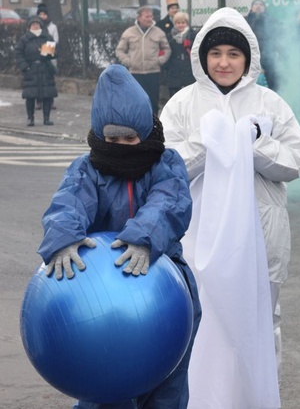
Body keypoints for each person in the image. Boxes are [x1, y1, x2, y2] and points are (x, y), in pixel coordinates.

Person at [160, 7, 300, 407]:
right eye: (215, 53)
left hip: (260, 237)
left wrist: (250, 142)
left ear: (247, 59)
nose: (224, 62)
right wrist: (208, 141)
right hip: (198, 241)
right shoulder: (182, 104)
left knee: (258, 325)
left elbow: (296, 159)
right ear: (202, 57)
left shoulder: (270, 104)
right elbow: (166, 166)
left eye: (233, 53)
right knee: (200, 325)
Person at [38, 64, 201, 408]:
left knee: (167, 385)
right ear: (100, 136)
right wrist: (63, 237)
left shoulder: (165, 163)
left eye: (130, 138)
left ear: (146, 131)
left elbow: (169, 202)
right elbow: (68, 202)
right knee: (101, 382)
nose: (122, 146)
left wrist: (143, 236)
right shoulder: (88, 169)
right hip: (100, 289)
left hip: (162, 277)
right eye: (112, 139)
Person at [116, 6, 171, 112]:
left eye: (151, 16)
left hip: (153, 73)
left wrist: (159, 61)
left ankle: (154, 126)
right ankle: (137, 126)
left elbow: (167, 49)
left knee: (153, 103)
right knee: (135, 102)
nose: (149, 19)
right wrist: (129, 62)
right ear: (139, 18)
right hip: (135, 73)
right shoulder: (129, 32)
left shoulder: (158, 32)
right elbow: (120, 50)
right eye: (146, 16)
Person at [15, 16, 57, 126]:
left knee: (47, 95)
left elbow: (53, 54)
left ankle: (46, 118)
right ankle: (30, 118)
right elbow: (18, 53)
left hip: (45, 69)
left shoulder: (47, 37)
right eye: (33, 24)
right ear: (29, 27)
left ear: (41, 25)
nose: (35, 25)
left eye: (37, 24)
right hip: (31, 70)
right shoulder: (24, 39)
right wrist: (25, 67)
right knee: (30, 96)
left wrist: (45, 52)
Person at [244, 0, 279, 90]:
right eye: (256, 4)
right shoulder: (246, 21)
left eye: (261, 4)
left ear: (264, 7)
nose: (258, 6)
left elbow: (277, 38)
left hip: (268, 58)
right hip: (250, 58)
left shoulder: (271, 21)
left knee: (272, 85)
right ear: (251, 7)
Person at [164, 11, 195, 97]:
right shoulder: (169, 36)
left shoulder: (193, 35)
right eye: (178, 23)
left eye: (183, 23)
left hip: (189, 70)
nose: (181, 25)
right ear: (175, 23)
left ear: (187, 23)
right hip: (174, 71)